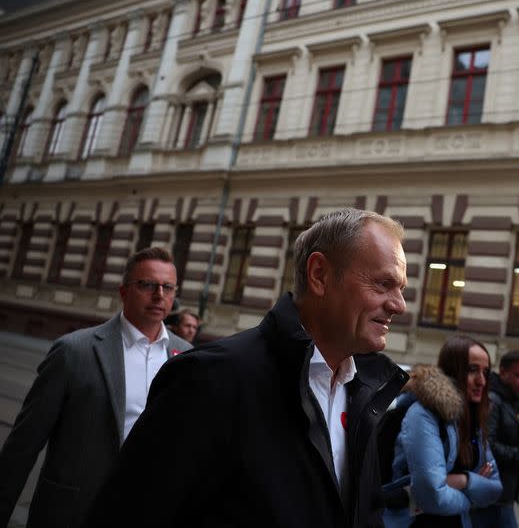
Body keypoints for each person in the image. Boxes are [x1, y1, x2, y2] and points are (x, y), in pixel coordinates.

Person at [82, 208, 410, 528]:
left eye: (400, 289)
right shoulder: (210, 380)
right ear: (320, 275)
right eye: (382, 284)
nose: (399, 305)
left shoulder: (366, 393)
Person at [0, 247, 192, 528]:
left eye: (168, 287)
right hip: (73, 512)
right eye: (147, 285)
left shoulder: (186, 357)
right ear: (124, 291)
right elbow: (23, 446)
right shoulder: (74, 352)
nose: (159, 295)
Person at [384, 335, 502, 528]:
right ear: (454, 370)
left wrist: (463, 480)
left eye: (486, 372)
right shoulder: (423, 414)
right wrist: (471, 496)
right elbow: (432, 497)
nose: (482, 380)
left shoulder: (473, 419)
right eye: (473, 370)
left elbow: (495, 488)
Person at [477, 351, 519, 528]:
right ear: (503, 373)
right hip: (492, 499)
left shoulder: (512, 401)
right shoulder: (494, 401)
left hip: (502, 496)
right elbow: (487, 445)